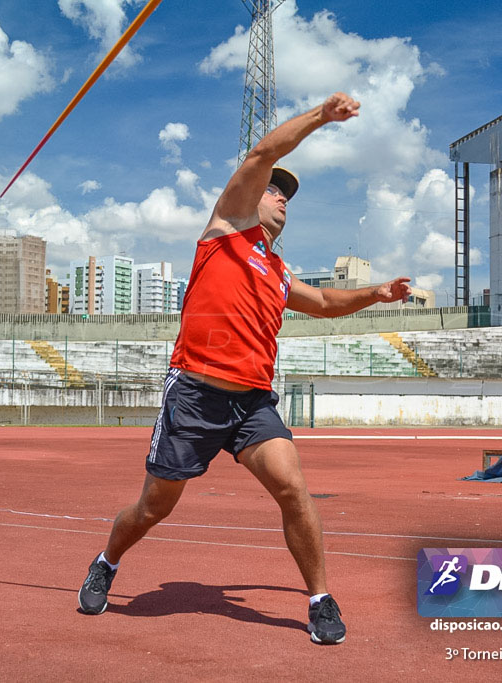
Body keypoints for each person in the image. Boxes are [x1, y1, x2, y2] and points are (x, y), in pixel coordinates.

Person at [78, 92, 411, 645]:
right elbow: (260, 157)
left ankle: (320, 599)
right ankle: (107, 561)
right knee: (152, 508)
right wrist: (319, 119)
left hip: (251, 405)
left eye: (287, 196)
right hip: (194, 397)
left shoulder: (278, 273)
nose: (280, 198)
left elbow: (326, 304)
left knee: (293, 490)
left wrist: (376, 293)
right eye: (273, 191)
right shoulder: (225, 230)